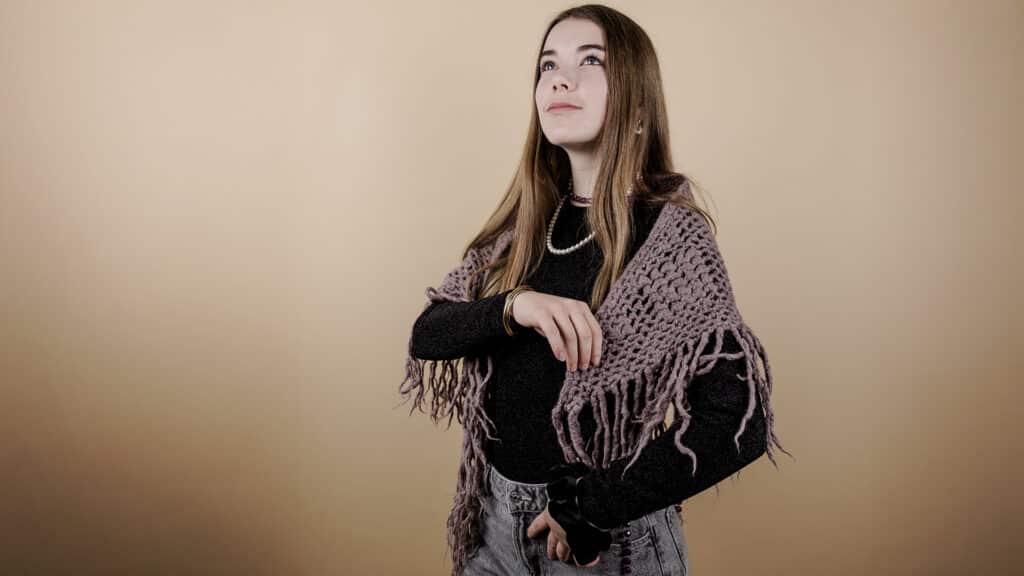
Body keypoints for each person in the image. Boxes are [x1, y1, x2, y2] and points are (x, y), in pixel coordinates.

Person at [400, 4, 792, 575]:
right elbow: (429, 333)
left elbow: (737, 423)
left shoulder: (669, 239)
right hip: (494, 527)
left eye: (590, 62)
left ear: (639, 107)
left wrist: (592, 506)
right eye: (548, 65)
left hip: (605, 544)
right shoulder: (523, 229)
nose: (560, 79)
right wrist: (517, 306)